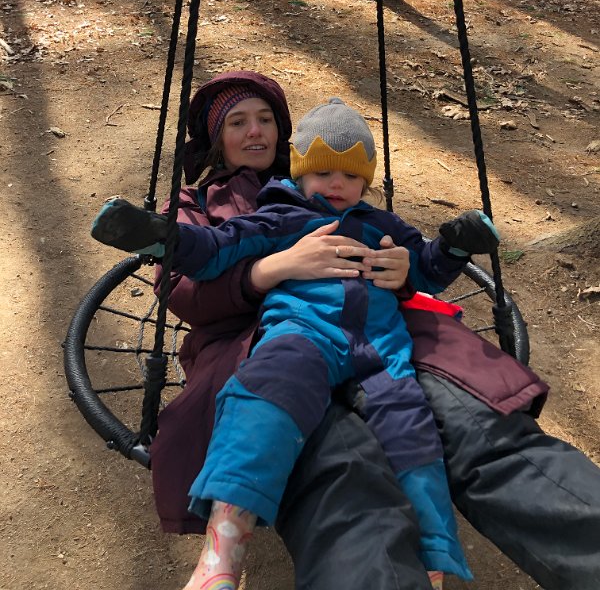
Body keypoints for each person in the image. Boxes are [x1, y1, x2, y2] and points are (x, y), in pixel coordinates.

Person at [92, 71, 600, 590]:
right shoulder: (203, 202)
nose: (255, 131)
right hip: (271, 340)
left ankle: (448, 549)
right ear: (215, 136)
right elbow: (186, 281)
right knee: (339, 464)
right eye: (237, 122)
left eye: (265, 119)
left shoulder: (338, 192)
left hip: (385, 336)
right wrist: (272, 269)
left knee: (473, 429)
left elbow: (417, 257)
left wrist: (406, 269)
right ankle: (233, 555)